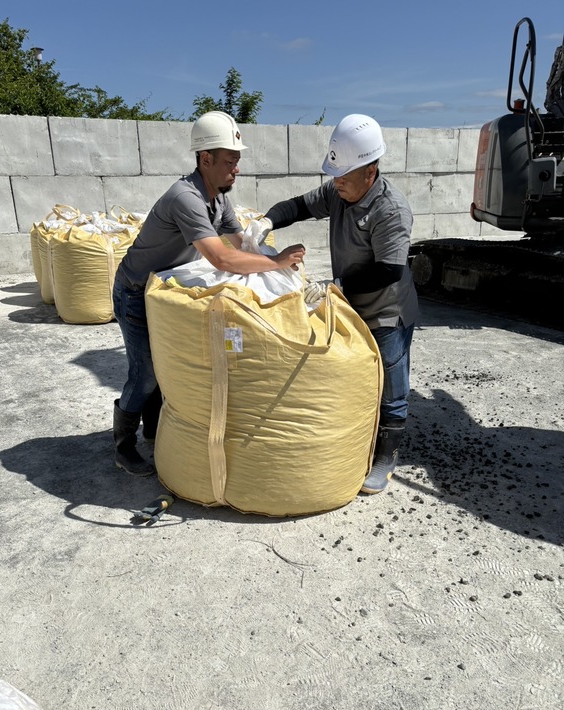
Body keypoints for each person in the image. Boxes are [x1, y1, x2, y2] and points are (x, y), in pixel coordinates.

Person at [112, 111, 306, 476]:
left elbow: (241, 245)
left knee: (166, 363)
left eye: (237, 162)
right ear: (206, 159)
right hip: (135, 291)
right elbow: (221, 257)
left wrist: (272, 264)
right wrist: (277, 262)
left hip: (161, 291)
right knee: (145, 373)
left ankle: (155, 432)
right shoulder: (185, 198)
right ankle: (123, 445)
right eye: (230, 162)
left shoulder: (218, 199)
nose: (237, 170)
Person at [264, 114, 418, 494]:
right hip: (352, 302)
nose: (337, 184)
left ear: (371, 170)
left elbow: (390, 271)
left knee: (391, 384)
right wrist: (265, 222)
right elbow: (299, 205)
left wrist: (336, 284)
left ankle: (387, 457)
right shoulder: (339, 190)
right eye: (335, 176)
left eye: (345, 177)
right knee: (359, 377)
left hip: (388, 311)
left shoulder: (390, 210)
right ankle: (361, 441)